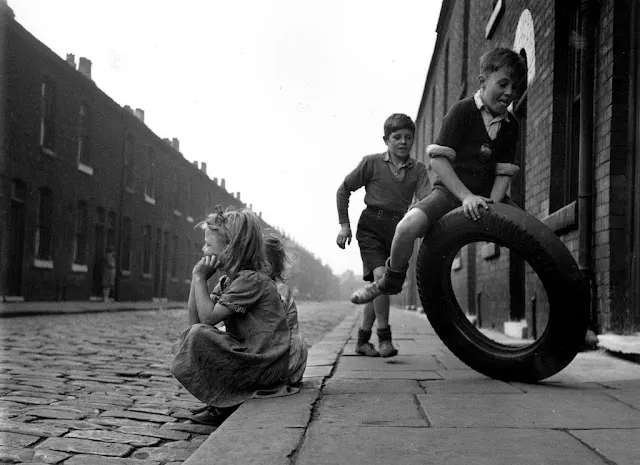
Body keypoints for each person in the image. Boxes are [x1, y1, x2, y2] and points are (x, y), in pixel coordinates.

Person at [350, 47, 526, 305]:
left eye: (515, 86)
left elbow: (503, 172)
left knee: (533, 237)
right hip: (450, 193)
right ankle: (390, 279)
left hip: (488, 197)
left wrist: (494, 205)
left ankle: (573, 316)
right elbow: (439, 161)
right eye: (503, 83)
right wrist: (465, 196)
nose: (510, 92)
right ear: (483, 81)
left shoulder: (511, 125)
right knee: (406, 227)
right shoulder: (463, 111)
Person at [171, 206, 294, 426]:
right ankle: (220, 402)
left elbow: (207, 321)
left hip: (266, 367)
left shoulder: (252, 280)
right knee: (196, 336)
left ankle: (222, 406)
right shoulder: (230, 281)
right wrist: (196, 280)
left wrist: (200, 279)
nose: (203, 248)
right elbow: (195, 324)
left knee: (200, 336)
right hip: (256, 361)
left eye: (208, 244)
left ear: (231, 249)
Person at [336, 113, 430, 357]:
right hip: (371, 228)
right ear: (386, 140)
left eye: (408, 137)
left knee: (376, 286)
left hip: (399, 232)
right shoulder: (372, 163)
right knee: (381, 278)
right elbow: (344, 189)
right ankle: (384, 338)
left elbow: (428, 200)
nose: (403, 142)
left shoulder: (418, 170)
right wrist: (344, 225)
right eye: (396, 137)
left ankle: (362, 341)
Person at [264, 233, 308, 384]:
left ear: (275, 266)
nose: (258, 267)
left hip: (282, 357)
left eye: (265, 262)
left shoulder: (279, 290)